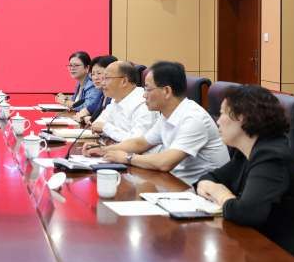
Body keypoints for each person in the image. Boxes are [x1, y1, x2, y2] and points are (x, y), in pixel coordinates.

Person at [196, 85, 294, 260]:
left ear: (243, 118)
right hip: (265, 249)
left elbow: (245, 213)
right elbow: (208, 178)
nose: (218, 121)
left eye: (222, 114)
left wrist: (221, 194)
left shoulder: (271, 158)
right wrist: (215, 189)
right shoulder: (247, 153)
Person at [85, 61, 229, 185]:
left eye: (148, 89)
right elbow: (141, 143)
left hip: (199, 191)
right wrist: (105, 150)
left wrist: (127, 158)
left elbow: (165, 162)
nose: (144, 95)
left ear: (166, 91)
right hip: (175, 182)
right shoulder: (168, 114)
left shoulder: (193, 118)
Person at [88, 60, 157, 142]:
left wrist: (106, 128)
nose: (102, 83)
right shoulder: (115, 98)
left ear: (124, 81)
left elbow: (137, 141)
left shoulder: (144, 103)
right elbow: (97, 124)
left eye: (107, 78)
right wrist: (106, 129)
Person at [74, 55, 117, 124]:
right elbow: (89, 109)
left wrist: (88, 119)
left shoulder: (116, 96)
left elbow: (103, 121)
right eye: (93, 74)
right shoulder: (102, 94)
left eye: (99, 73)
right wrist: (85, 117)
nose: (95, 78)